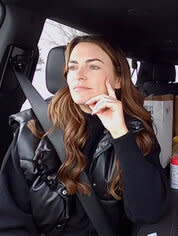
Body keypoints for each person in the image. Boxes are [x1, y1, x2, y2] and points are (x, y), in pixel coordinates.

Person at [0, 35, 169, 235]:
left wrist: (120, 134)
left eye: (93, 66)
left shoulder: (136, 130)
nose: (79, 74)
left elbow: (148, 212)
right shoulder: (33, 129)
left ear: (117, 79)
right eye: (72, 67)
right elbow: (10, 221)